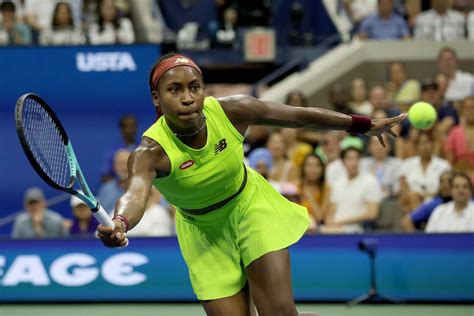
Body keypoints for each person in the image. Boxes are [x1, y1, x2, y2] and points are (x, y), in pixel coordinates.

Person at [97, 53, 405, 315]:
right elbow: (135, 194)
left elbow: (297, 116)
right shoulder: (150, 152)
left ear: (205, 89)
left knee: (278, 312)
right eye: (175, 90)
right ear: (156, 97)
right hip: (203, 232)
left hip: (249, 207)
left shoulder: (231, 111)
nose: (188, 98)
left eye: (194, 87)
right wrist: (121, 221)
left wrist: (362, 124)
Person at [322, 145, 383, 233]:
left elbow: (372, 214)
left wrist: (340, 222)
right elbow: (331, 211)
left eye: (356, 159)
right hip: (334, 227)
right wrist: (329, 222)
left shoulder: (370, 181)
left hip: (356, 228)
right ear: (343, 162)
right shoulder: (337, 184)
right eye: (349, 159)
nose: (353, 163)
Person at [100, 114, 138, 183]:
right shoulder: (112, 153)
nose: (131, 130)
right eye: (128, 126)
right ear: (122, 129)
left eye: (134, 126)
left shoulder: (143, 150)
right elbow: (105, 176)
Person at [299, 153, 330, 233]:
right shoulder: (295, 187)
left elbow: (320, 217)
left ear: (322, 169)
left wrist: (309, 196)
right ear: (303, 168)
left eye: (317, 166)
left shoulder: (326, 189)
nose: (313, 169)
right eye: (309, 165)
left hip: (316, 231)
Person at [97, 148, 131, 214]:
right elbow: (99, 215)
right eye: (120, 164)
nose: (124, 168)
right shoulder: (105, 190)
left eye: (127, 163)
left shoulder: (143, 188)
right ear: (114, 167)